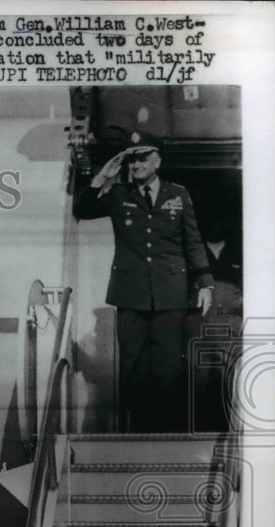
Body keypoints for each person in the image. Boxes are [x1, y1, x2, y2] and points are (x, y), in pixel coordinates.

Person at [75, 130, 214, 433]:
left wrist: (205, 283)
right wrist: (101, 178)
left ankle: (166, 431)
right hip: (130, 293)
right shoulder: (118, 194)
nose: (136, 164)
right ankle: (137, 431)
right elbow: (82, 210)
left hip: (171, 293)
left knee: (167, 367)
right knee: (132, 366)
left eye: (142, 157)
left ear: (157, 160)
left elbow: (192, 240)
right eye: (131, 159)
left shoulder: (178, 194)